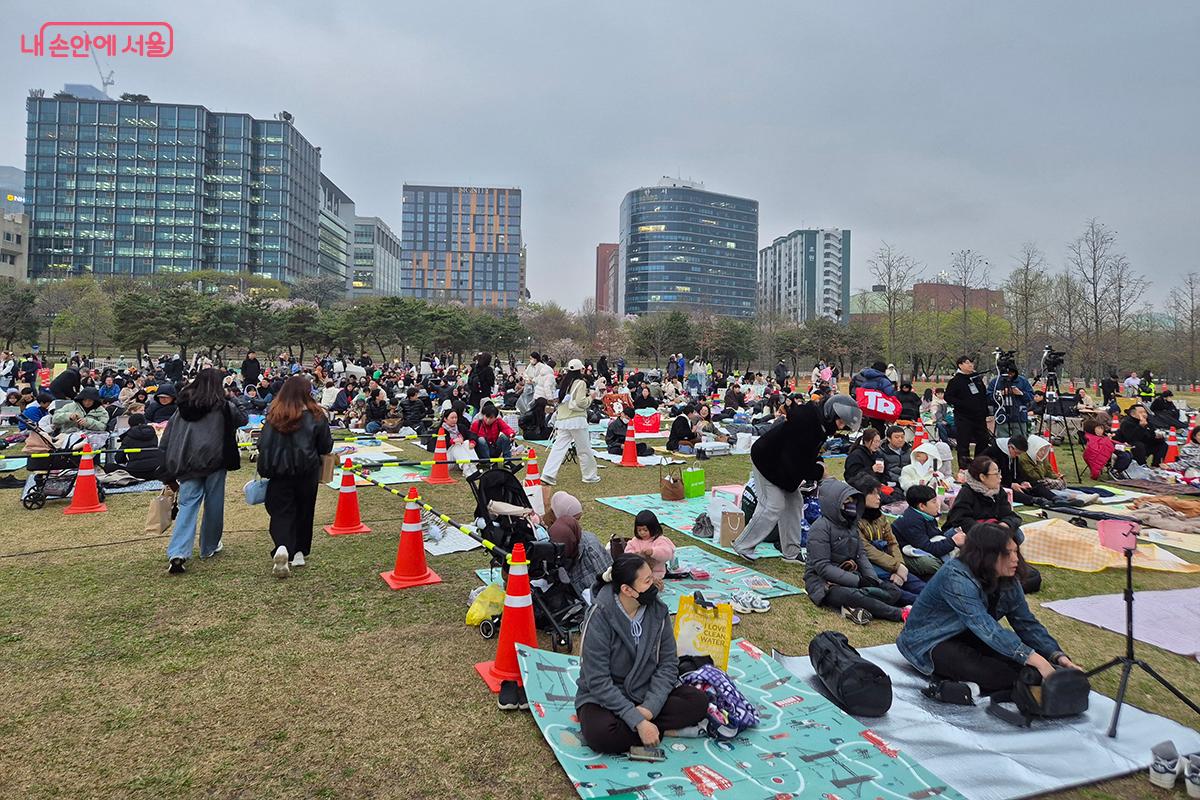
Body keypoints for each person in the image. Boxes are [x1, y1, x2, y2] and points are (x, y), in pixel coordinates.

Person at [897, 523, 1080, 699]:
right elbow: (985, 626)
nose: (1016, 559)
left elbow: (1025, 622)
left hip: (969, 635)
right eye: (1008, 554)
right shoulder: (955, 577)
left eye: (1016, 551)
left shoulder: (1007, 578)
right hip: (929, 641)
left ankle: (1036, 678)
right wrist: (1036, 660)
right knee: (1000, 674)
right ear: (986, 555)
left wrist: (1056, 656)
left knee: (1021, 665)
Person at [574, 554, 710, 754]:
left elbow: (668, 664)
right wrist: (637, 720)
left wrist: (649, 708)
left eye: (651, 577)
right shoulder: (599, 616)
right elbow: (597, 680)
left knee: (698, 702)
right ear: (627, 590)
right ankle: (655, 729)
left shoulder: (658, 610)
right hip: (605, 697)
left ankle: (641, 728)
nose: (654, 584)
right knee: (601, 735)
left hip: (646, 692)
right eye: (647, 581)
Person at [732, 395, 861, 562]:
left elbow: (807, 455)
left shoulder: (818, 425)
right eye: (841, 422)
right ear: (831, 414)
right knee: (772, 505)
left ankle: (791, 552)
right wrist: (819, 472)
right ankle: (743, 545)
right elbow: (798, 462)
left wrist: (819, 464)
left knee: (794, 503)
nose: (841, 426)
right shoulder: (807, 424)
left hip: (784, 469)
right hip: (766, 461)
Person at [159, 368, 248, 574]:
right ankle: (209, 546)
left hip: (187, 462)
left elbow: (168, 436)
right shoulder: (223, 406)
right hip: (215, 460)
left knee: (187, 505)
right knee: (214, 504)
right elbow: (243, 418)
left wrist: (166, 461)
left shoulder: (182, 407)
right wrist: (232, 396)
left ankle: (178, 552)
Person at [256, 376, 334, 578]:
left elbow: (262, 443)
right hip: (306, 470)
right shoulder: (316, 415)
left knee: (281, 512)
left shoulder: (275, 414)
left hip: (278, 470)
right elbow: (326, 446)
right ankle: (299, 552)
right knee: (304, 510)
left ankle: (282, 546)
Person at [804, 478, 909, 624]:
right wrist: (858, 581)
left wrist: (871, 579)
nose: (851, 505)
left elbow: (861, 555)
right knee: (851, 595)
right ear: (834, 504)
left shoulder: (851, 524)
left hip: (852, 575)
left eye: (853, 501)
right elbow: (822, 567)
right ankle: (897, 614)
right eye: (846, 502)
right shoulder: (820, 528)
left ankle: (853, 607)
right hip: (824, 584)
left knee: (892, 590)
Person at [943, 456, 1041, 594]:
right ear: (982, 477)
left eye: (999, 472)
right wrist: (987, 531)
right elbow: (959, 520)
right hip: (971, 532)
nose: (1000, 477)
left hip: (994, 529)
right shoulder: (967, 492)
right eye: (996, 474)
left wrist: (1004, 524)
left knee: (1017, 534)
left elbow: (1011, 516)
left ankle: (1002, 564)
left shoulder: (998, 491)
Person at [851, 474, 925, 604]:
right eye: (873, 494)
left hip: (890, 562)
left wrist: (900, 565)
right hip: (870, 566)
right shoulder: (853, 520)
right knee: (903, 595)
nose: (878, 498)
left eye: (878, 493)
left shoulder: (880, 517)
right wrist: (895, 566)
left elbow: (892, 542)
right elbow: (866, 549)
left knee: (920, 586)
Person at [542, 359, 599, 486]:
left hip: (563, 419)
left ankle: (548, 474)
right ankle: (589, 475)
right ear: (580, 370)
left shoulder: (564, 382)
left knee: (558, 448)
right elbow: (581, 402)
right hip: (577, 419)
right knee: (584, 448)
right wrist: (591, 398)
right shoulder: (580, 383)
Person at [547, 491, 611, 599]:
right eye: (574, 519)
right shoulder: (554, 537)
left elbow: (606, 578)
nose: (577, 523)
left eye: (577, 519)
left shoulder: (590, 546)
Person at [891, 485, 963, 578]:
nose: (938, 504)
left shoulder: (926, 515)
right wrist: (953, 541)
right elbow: (928, 548)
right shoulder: (912, 521)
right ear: (921, 506)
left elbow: (937, 535)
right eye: (934, 502)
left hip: (924, 544)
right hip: (907, 552)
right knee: (931, 564)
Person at [944, 356, 990, 467]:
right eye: (967, 363)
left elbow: (983, 395)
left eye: (971, 363)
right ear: (960, 365)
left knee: (983, 440)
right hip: (963, 417)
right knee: (964, 443)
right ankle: (964, 467)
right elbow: (948, 397)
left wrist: (985, 411)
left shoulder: (976, 379)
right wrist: (962, 404)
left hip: (979, 416)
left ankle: (979, 465)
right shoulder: (955, 381)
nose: (970, 365)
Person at [623, 510, 675, 587]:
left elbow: (668, 553)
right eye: (639, 530)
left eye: (645, 530)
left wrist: (653, 552)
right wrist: (636, 555)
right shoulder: (635, 541)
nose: (642, 533)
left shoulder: (659, 540)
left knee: (654, 587)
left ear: (653, 528)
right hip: (638, 575)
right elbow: (626, 555)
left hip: (657, 574)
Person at [987, 364, 1033, 439]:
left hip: (1019, 416)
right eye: (1007, 373)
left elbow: (1031, 397)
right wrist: (1000, 394)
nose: (1009, 375)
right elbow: (988, 398)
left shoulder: (1022, 381)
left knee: (1020, 441)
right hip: (1002, 416)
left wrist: (1020, 393)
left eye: (1012, 373)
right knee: (1002, 441)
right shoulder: (996, 382)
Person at [115, 413, 164, 480]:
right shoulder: (152, 434)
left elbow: (119, 458)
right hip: (155, 469)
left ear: (130, 424)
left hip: (136, 471)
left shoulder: (128, 437)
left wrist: (127, 462)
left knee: (109, 467)